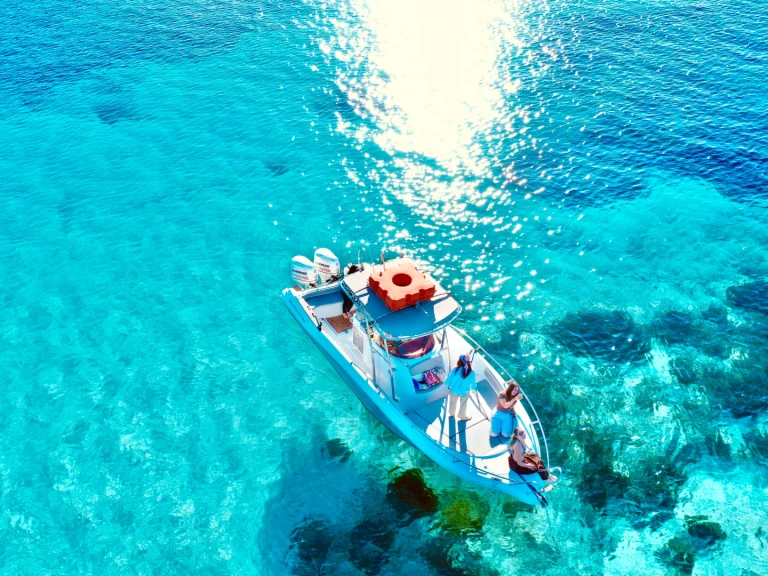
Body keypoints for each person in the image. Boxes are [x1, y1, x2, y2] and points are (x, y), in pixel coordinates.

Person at [445, 354, 477, 420]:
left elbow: (450, 378)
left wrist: (448, 385)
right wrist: (473, 390)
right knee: (463, 403)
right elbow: (473, 383)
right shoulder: (472, 372)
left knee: (452, 402)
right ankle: (462, 416)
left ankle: (451, 413)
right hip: (464, 391)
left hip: (454, 389)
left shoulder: (455, 369)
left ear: (459, 361)